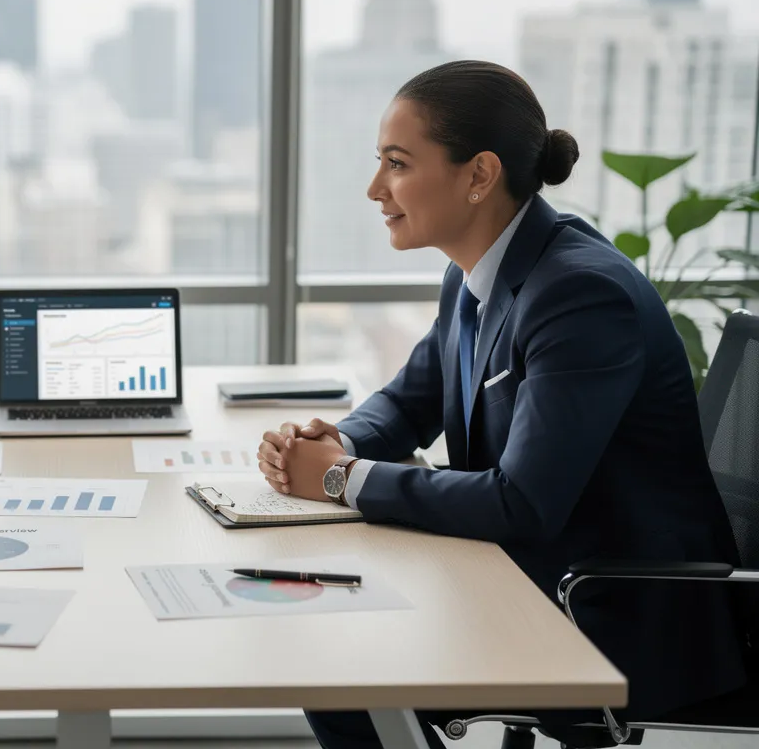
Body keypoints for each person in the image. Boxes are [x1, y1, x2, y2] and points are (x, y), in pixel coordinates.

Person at [257, 60, 752, 749]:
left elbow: (523, 503)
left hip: (607, 614)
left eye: (397, 164)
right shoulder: (476, 275)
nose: (376, 189)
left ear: (479, 175)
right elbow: (408, 403)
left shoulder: (579, 294)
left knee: (344, 673)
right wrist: (330, 441)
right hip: (524, 580)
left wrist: (340, 479)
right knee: (335, 658)